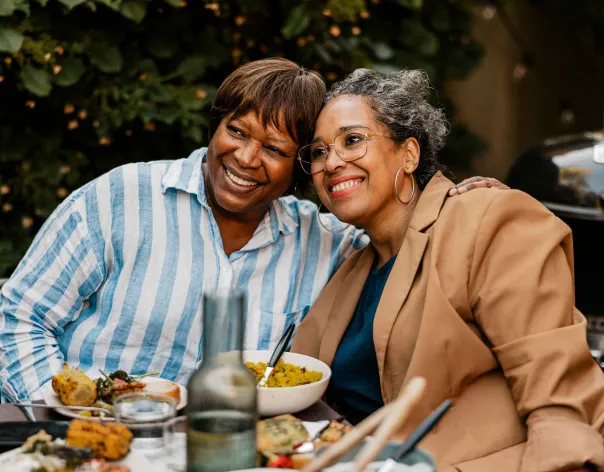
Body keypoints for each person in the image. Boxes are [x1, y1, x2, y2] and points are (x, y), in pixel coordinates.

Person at [0, 58, 502, 403]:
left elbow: (411, 236)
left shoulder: (326, 243)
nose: (244, 158)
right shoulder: (120, 198)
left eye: (275, 149)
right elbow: (18, 318)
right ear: (216, 126)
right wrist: (67, 413)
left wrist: (460, 201)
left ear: (300, 168)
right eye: (236, 132)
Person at [291, 68, 604, 471]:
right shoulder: (351, 270)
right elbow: (297, 384)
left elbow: (560, 407)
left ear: (409, 154)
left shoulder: (484, 218)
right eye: (318, 152)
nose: (331, 162)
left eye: (352, 140)